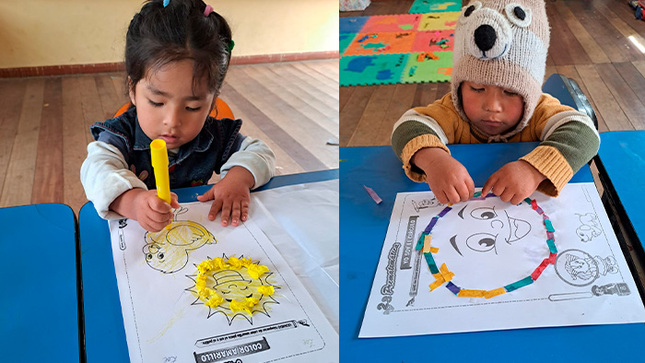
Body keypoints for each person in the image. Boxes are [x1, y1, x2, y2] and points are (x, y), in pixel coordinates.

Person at [81, 0, 275, 232]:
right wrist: (132, 201)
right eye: (157, 102)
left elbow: (261, 153)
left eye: (192, 107)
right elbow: (96, 171)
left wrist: (239, 177)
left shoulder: (215, 136)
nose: (172, 121)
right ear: (132, 90)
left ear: (212, 101)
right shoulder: (120, 136)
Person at [391, 0, 599, 206]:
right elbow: (407, 126)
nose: (492, 106)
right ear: (459, 88)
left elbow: (584, 133)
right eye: (477, 89)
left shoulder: (540, 109)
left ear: (530, 93)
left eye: (509, 92)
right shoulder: (453, 110)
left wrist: (534, 170)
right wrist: (434, 161)